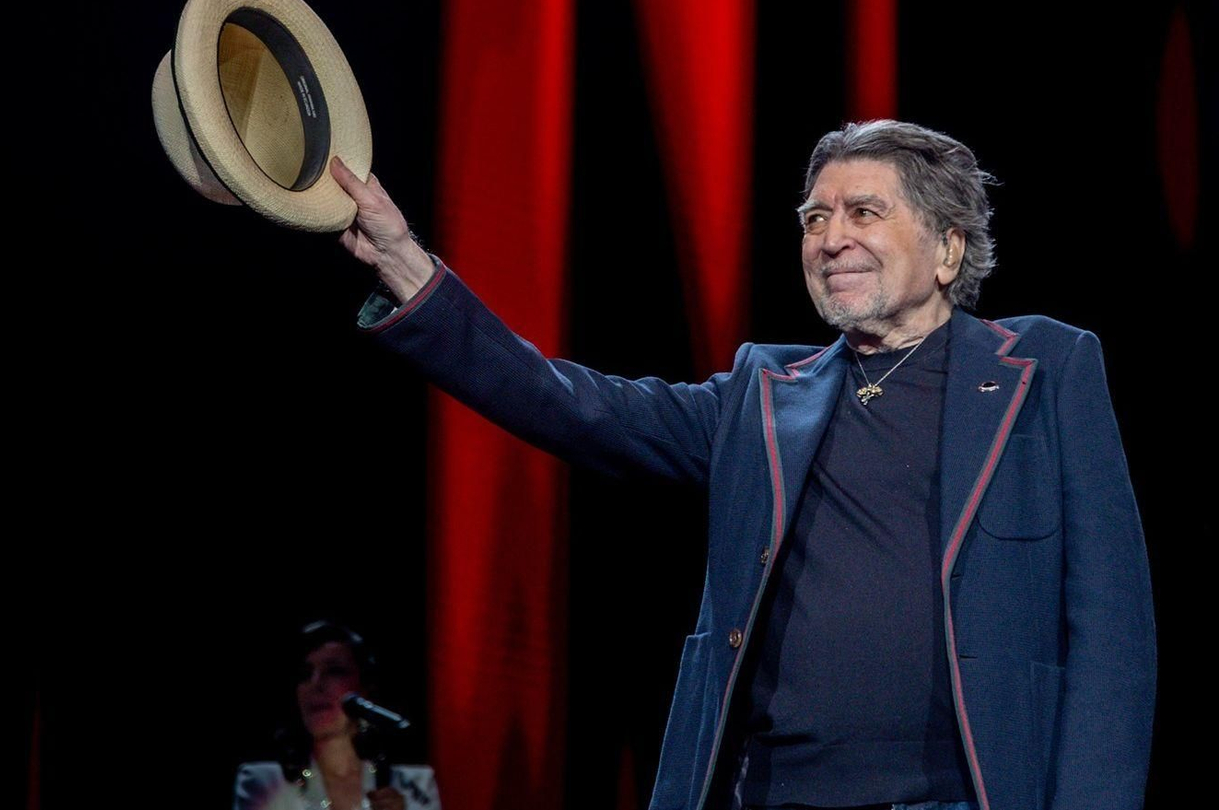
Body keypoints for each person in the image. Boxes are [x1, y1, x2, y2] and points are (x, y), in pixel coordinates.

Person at [332, 120, 1156, 810]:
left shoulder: (1043, 371)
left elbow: (1112, 635)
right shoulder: (764, 396)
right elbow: (569, 404)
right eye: (814, 218)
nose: (831, 239)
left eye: (863, 212)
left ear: (947, 248)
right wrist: (409, 267)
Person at [234, 621, 441, 810]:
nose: (316, 684)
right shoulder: (263, 783)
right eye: (305, 674)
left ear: (365, 687)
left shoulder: (414, 786)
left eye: (334, 671)